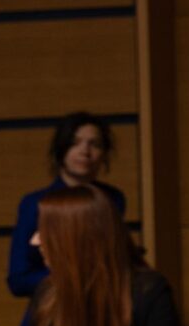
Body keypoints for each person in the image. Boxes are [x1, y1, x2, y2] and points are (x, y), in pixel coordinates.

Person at [10, 186, 179, 326]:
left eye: (44, 230)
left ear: (76, 237)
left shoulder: (148, 291)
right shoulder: (48, 291)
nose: (35, 241)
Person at [7, 112, 129, 299]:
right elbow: (18, 279)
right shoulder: (36, 203)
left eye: (94, 144)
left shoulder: (113, 199)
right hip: (55, 306)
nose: (85, 152)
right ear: (61, 149)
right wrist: (79, 281)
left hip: (106, 304)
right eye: (75, 143)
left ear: (104, 153)